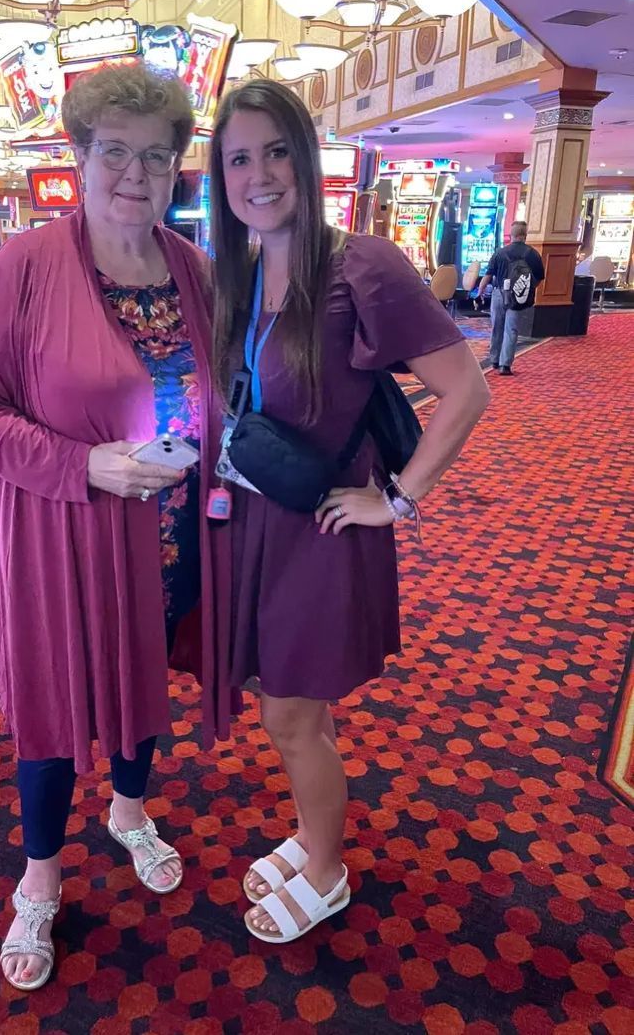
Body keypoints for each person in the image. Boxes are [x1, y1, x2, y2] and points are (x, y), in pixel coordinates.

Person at [0, 63, 232, 992]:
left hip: (171, 532)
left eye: (157, 157)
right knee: (57, 702)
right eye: (115, 151)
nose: (135, 175)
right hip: (60, 537)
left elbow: (220, 389)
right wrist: (84, 466)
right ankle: (39, 876)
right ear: (79, 154)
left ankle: (129, 807)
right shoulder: (25, 265)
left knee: (144, 675)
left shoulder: (192, 268)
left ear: (179, 168)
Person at [209, 79, 490, 945]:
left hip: (326, 525)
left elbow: (466, 392)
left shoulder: (362, 263)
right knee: (302, 705)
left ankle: (326, 874)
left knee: (289, 713)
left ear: (307, 154)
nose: (260, 175)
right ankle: (310, 832)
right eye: (239, 158)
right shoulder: (245, 270)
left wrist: (399, 500)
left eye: (277, 150)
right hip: (260, 519)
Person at [478, 220, 545, 375]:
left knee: (497, 327)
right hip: (518, 295)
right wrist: (527, 289)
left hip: (499, 293)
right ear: (525, 235)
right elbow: (540, 277)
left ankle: (494, 359)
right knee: (511, 329)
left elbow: (488, 275)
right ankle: (505, 365)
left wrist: (480, 291)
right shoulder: (533, 254)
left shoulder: (500, 252)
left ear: (511, 234)